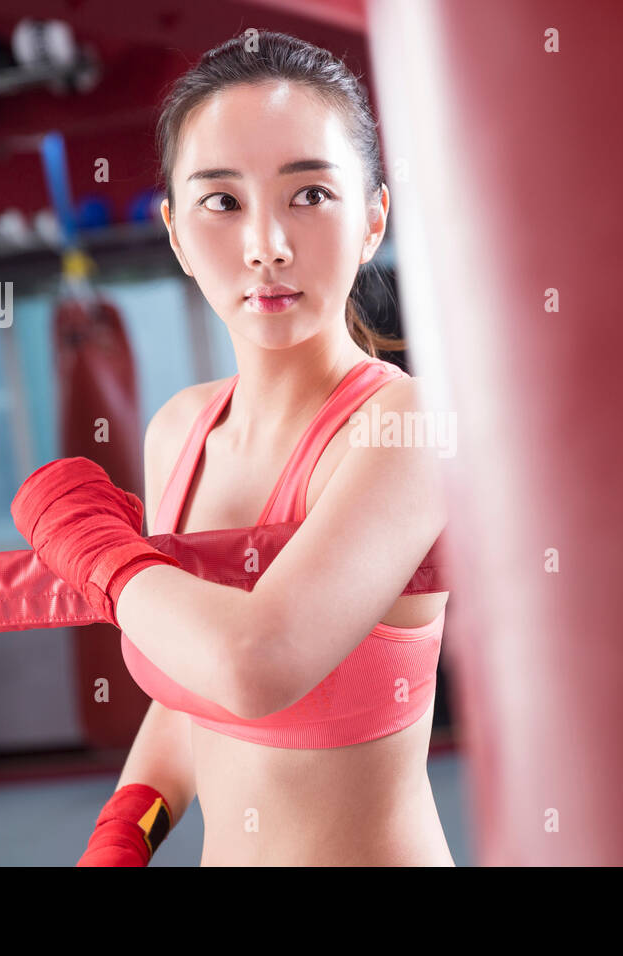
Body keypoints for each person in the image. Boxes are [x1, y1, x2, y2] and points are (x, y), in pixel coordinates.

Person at [49, 29, 453, 866]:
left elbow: (255, 663)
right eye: (223, 202)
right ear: (173, 231)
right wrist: (126, 828)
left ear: (374, 216)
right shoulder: (177, 434)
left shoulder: (401, 427)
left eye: (308, 194)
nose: (266, 243)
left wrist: (96, 553)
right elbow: (190, 686)